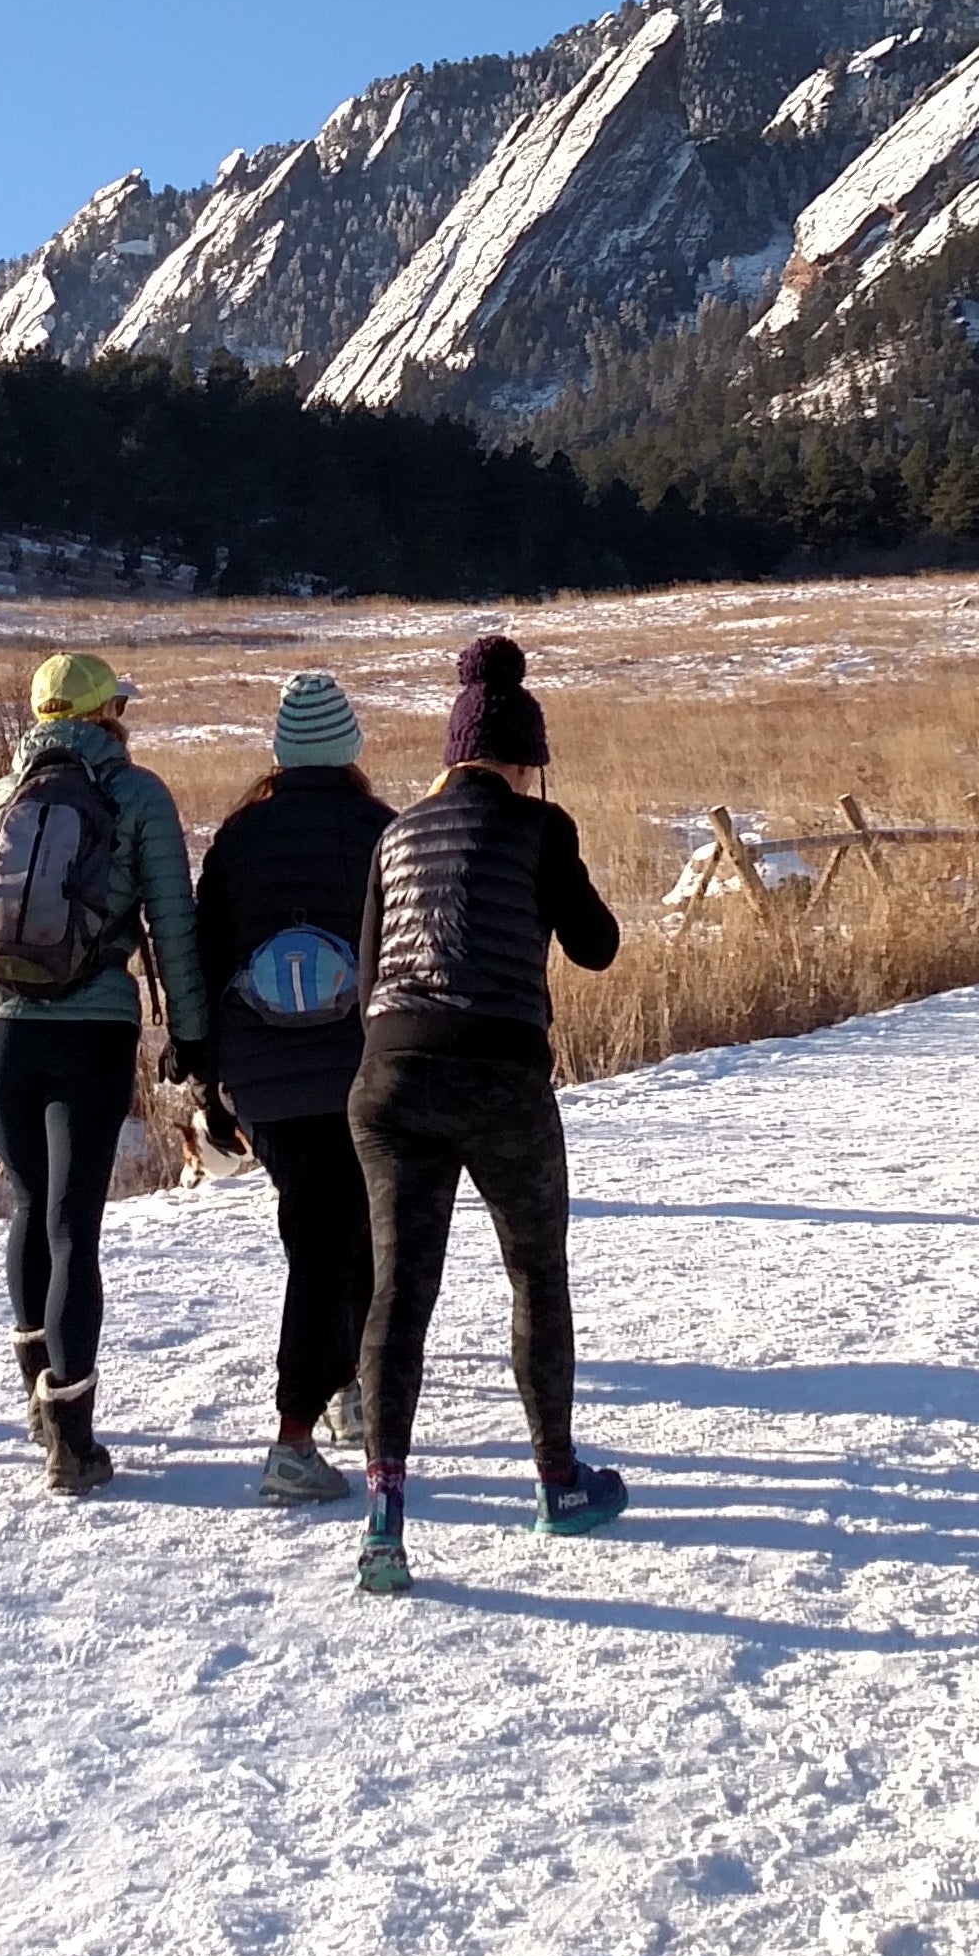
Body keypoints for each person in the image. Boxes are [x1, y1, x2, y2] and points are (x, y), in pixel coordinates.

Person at [347, 631, 624, 1593]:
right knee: (535, 1274)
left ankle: (383, 1512)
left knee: (398, 1290)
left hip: (388, 1078)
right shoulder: (543, 830)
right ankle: (557, 1483)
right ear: (523, 761)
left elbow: (366, 976)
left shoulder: (393, 834)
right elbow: (597, 947)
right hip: (500, 1073)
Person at [0, 648, 207, 1494]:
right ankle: (72, 1437)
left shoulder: (0, 795)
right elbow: (172, 922)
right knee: (74, 1226)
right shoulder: (137, 796)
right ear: (108, 716)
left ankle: (36, 1395)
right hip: (92, 1023)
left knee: (29, 1206)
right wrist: (194, 1036)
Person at [179, 668, 391, 1506]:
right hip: (360, 1060)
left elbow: (203, 953)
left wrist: (206, 1077)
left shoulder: (239, 836)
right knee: (349, 1226)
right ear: (349, 749)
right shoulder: (381, 827)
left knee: (318, 1221)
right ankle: (302, 1428)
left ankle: (340, 1390)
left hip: (260, 1072)